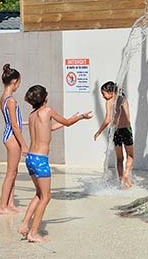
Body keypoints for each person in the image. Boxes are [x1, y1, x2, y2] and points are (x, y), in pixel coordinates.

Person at [18, 85, 93, 243]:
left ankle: (24, 225)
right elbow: (66, 122)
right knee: (46, 197)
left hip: (30, 158)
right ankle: (33, 232)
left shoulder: (33, 116)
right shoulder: (48, 110)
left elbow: (49, 128)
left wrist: (71, 118)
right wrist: (81, 117)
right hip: (40, 160)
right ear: (45, 98)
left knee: (39, 194)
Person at [0, 63, 28, 215]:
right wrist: (24, 145)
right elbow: (14, 126)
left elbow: (13, 121)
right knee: (11, 172)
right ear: (14, 81)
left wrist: (29, 121)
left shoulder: (3, 98)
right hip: (12, 138)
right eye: (19, 82)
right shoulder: (11, 100)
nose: (18, 85)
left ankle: (10, 204)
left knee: (13, 171)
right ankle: (3, 206)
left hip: (8, 135)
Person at [94, 81, 134, 188]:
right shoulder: (123, 99)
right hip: (127, 130)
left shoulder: (109, 102)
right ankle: (126, 175)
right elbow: (127, 117)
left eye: (104, 93)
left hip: (116, 131)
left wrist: (99, 131)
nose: (103, 96)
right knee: (130, 155)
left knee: (119, 158)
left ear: (111, 92)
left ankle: (122, 181)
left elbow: (107, 120)